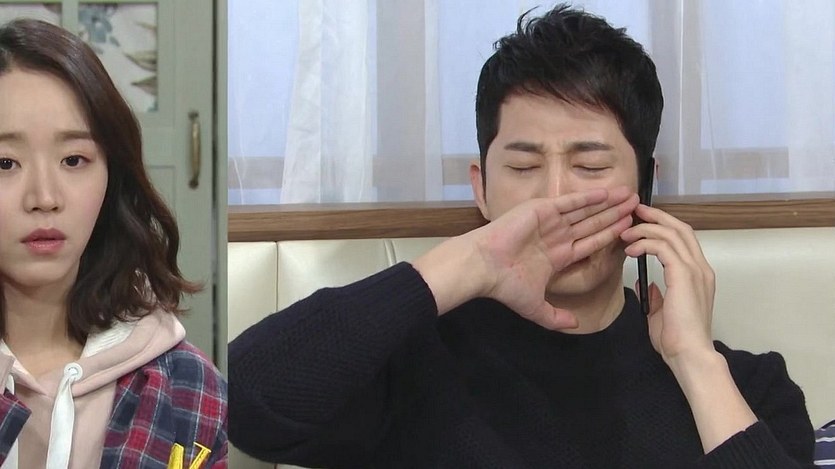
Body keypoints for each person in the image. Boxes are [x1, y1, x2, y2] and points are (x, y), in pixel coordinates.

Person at [228, 5, 814, 468]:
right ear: (481, 189)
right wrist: (465, 262)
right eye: (523, 167)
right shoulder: (410, 364)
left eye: (590, 165)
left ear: (646, 186)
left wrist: (695, 362)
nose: (555, 196)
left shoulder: (747, 388)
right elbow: (244, 404)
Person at [0, 19, 226, 468]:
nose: (44, 197)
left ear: (112, 176)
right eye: (5, 163)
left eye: (74, 159)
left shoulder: (186, 387)